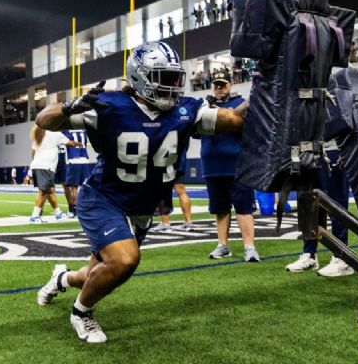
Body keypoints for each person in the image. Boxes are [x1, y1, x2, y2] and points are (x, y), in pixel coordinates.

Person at [34, 41, 247, 343]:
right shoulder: (109, 105)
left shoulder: (187, 110)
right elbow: (44, 120)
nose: (172, 87)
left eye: (175, 78)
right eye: (164, 78)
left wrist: (263, 95)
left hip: (141, 207)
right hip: (104, 198)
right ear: (140, 77)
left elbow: (236, 121)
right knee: (124, 260)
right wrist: (70, 106)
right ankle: (81, 313)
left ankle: (61, 278)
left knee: (95, 273)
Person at [200, 74, 259, 262]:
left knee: (244, 209)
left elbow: (252, 128)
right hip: (212, 166)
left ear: (230, 85)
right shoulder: (203, 105)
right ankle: (223, 245)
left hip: (237, 165)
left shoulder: (241, 103)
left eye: (222, 85)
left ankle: (249, 247)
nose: (219, 88)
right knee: (220, 210)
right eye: (216, 85)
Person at [285, 140, 353, 276]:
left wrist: (346, 150)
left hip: (332, 150)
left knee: (336, 206)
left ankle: (342, 258)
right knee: (308, 204)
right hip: (305, 152)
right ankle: (309, 254)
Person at [28, 124, 82, 224]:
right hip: (46, 166)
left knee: (50, 191)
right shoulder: (55, 134)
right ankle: (34, 216)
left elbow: (33, 152)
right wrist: (80, 143)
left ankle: (58, 214)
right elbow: (70, 143)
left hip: (37, 165)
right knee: (43, 192)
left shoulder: (39, 134)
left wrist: (32, 165)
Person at [151, 150, 194, 231]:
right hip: (179, 161)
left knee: (162, 191)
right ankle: (188, 222)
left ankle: (165, 223)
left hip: (165, 160)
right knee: (182, 191)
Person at [62, 129, 90, 218]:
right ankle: (86, 209)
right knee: (85, 187)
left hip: (74, 160)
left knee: (74, 188)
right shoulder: (84, 131)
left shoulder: (67, 132)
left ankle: (74, 211)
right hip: (85, 160)